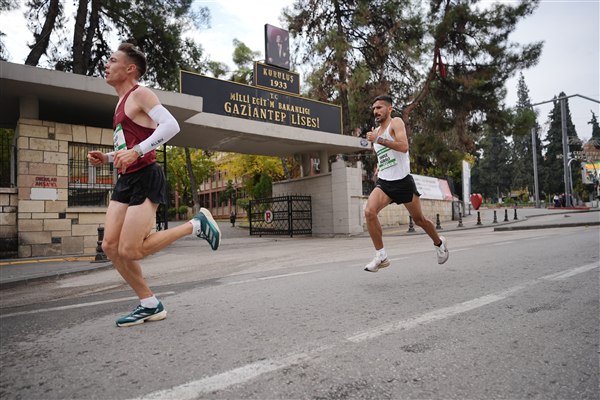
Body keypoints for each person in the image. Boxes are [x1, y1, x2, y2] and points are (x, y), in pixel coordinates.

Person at [87, 42, 221, 327]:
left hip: (146, 175)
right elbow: (129, 146)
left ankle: (195, 225)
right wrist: (108, 157)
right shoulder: (120, 103)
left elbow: (171, 126)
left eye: (112, 60)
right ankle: (149, 304)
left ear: (130, 68)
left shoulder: (140, 93)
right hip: (126, 179)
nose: (106, 65)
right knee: (110, 245)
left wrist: (137, 151)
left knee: (131, 250)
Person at [363, 94, 449, 272]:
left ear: (389, 109)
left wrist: (378, 140)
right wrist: (378, 167)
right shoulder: (375, 131)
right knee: (369, 211)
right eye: (374, 109)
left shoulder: (396, 123)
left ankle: (439, 243)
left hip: (403, 181)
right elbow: (385, 156)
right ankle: (381, 256)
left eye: (379, 107)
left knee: (419, 220)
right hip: (385, 183)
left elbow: (403, 147)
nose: (376, 111)